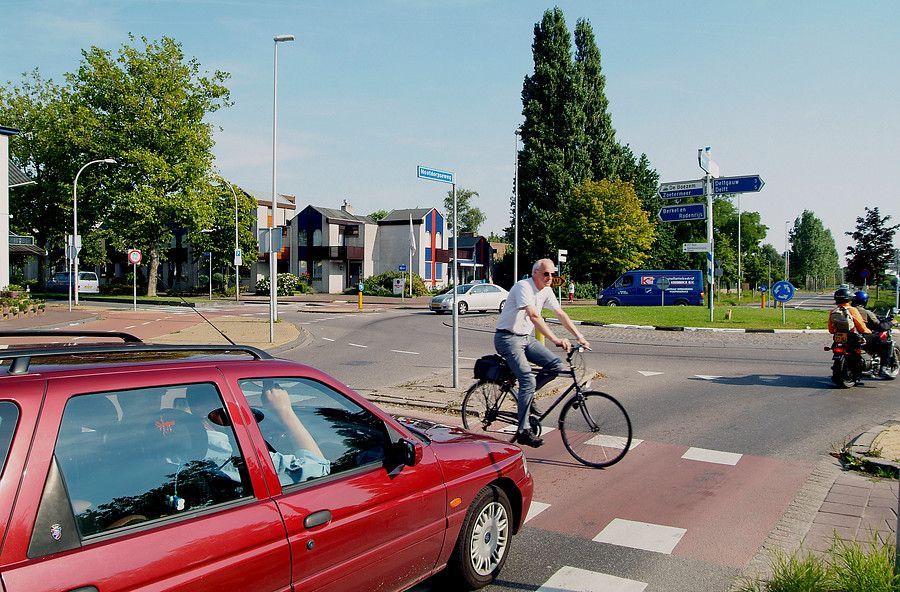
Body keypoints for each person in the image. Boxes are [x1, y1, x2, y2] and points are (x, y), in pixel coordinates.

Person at [495, 258, 590, 447]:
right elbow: (534, 315)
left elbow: (560, 314)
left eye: (552, 274)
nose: (550, 277)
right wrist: (555, 339)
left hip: (525, 338)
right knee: (528, 379)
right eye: (546, 273)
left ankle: (527, 396)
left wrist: (579, 336)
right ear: (535, 273)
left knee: (555, 366)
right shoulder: (524, 287)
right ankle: (522, 431)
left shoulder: (546, 290)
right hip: (507, 338)